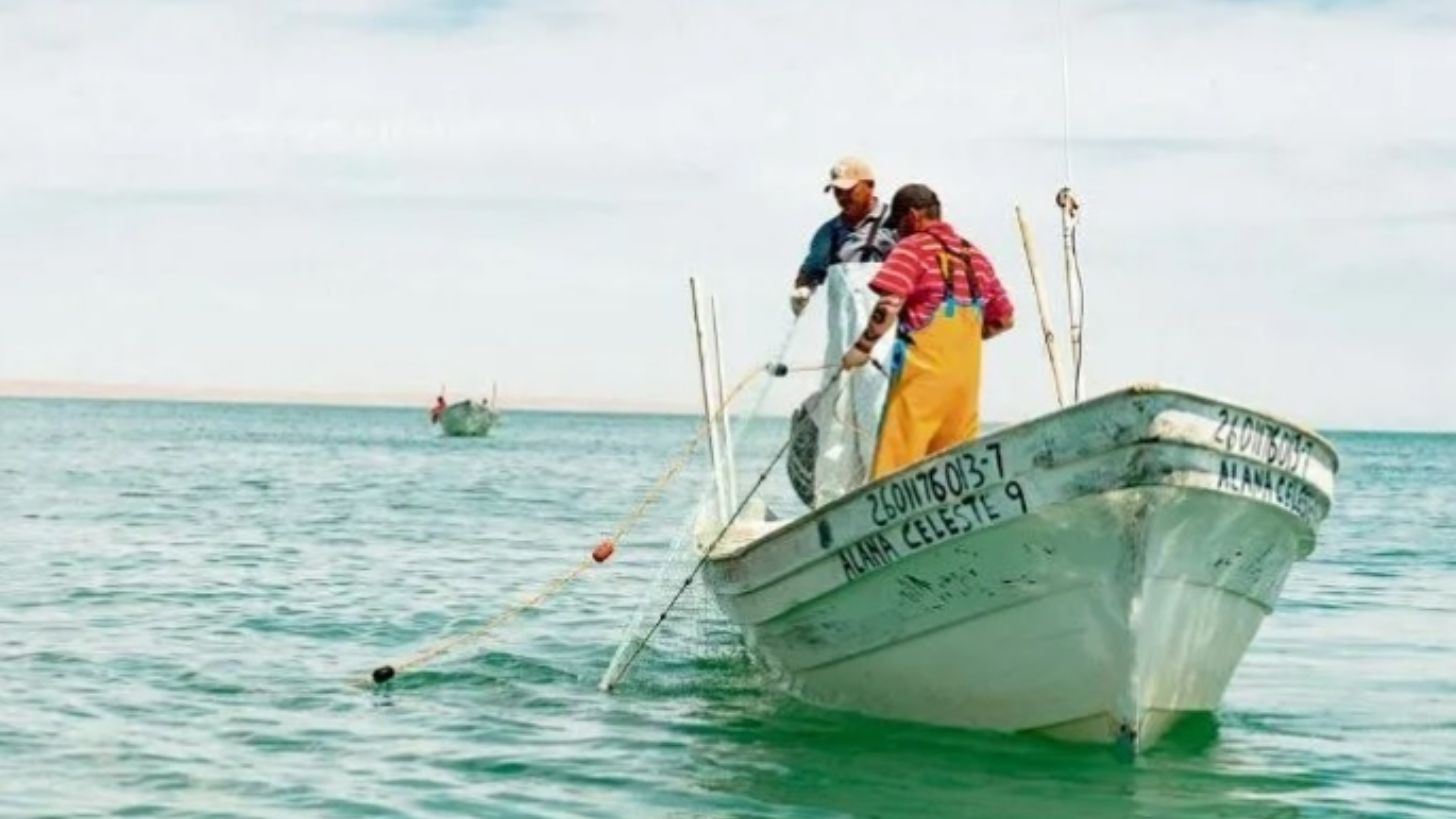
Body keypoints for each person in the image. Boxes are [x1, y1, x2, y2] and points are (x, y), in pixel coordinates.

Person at [841, 183, 1014, 479]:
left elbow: (890, 303)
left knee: (894, 475)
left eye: (898, 226)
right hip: (964, 391)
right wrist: (963, 339)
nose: (897, 234)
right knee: (952, 476)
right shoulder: (976, 256)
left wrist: (862, 347)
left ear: (912, 216)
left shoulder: (913, 247)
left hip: (919, 390)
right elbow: (1005, 318)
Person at [790, 156, 899, 316]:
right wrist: (802, 290)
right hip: (847, 323)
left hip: (892, 320)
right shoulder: (829, 232)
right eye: (837, 191)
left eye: (849, 190)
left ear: (870, 185)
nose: (842, 197)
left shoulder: (896, 221)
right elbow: (811, 271)